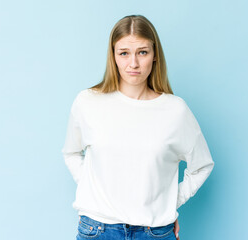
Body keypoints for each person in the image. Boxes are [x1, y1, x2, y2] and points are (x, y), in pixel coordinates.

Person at [61, 14, 214, 240]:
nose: (133, 63)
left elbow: (202, 166)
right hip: (98, 230)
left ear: (154, 56)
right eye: (124, 53)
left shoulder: (175, 110)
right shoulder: (88, 102)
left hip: (154, 233)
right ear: (113, 56)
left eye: (142, 52)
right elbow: (72, 152)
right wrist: (94, 188)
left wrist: (168, 203)